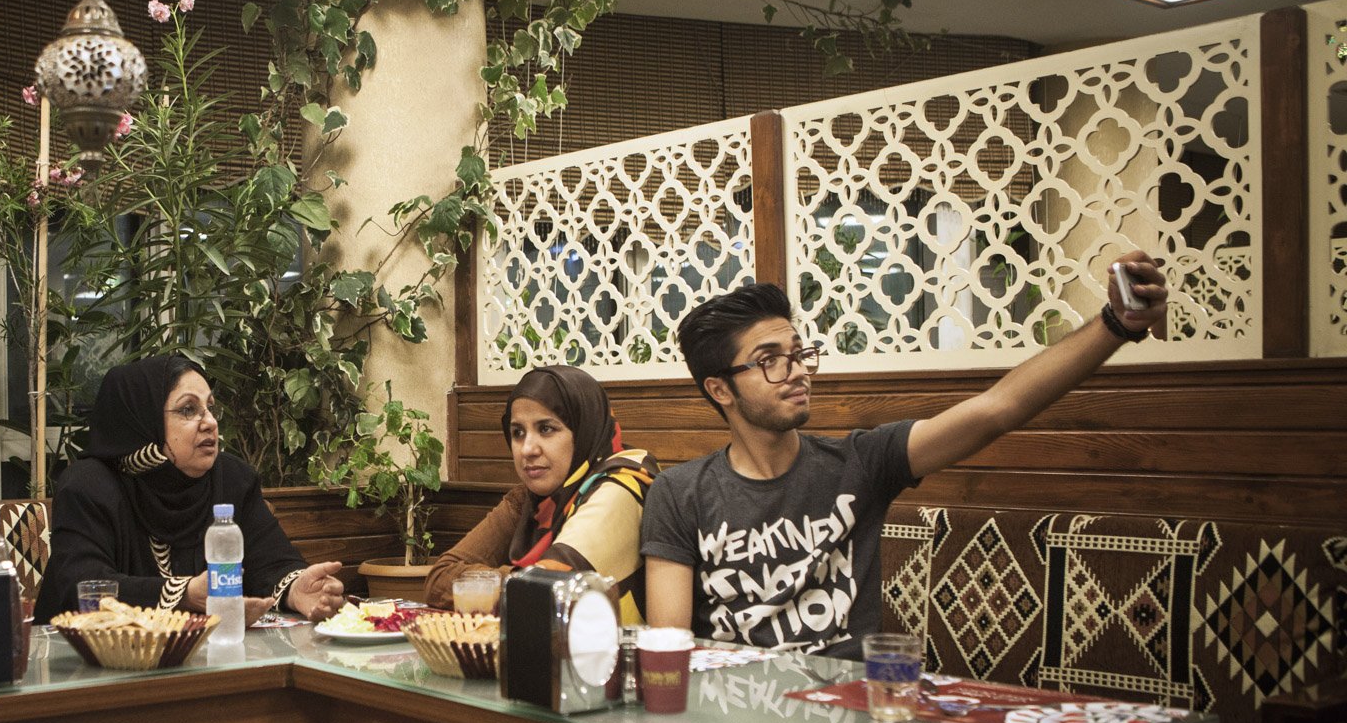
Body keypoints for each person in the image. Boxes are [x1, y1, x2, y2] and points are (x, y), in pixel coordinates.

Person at [641, 251, 1169, 654]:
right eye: (770, 361)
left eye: (799, 353)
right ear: (720, 390)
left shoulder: (863, 463)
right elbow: (669, 643)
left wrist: (1115, 326)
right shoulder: (680, 492)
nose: (798, 370)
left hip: (849, 711)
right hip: (738, 719)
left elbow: (997, 410)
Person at [36, 356, 347, 624]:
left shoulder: (232, 478)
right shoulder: (89, 485)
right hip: (97, 669)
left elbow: (272, 561)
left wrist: (297, 590)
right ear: (144, 420)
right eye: (188, 410)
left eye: (210, 408)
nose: (210, 422)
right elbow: (82, 586)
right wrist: (181, 595)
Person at [425, 365, 660, 622]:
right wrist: (516, 577)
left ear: (584, 430)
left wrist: (480, 582)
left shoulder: (623, 485)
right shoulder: (531, 501)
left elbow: (543, 592)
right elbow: (439, 578)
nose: (527, 449)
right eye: (517, 433)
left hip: (613, 658)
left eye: (546, 429)